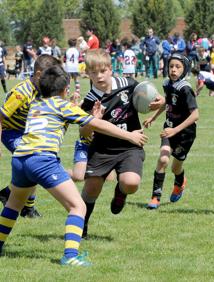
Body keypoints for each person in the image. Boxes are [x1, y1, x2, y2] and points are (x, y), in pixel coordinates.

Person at [0, 65, 148, 265]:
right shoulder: (62, 106)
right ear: (65, 90)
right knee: (77, 206)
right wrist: (129, 135)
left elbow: (67, 121)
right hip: (42, 160)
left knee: (13, 205)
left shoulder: (36, 104)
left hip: (20, 158)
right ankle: (70, 257)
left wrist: (85, 114)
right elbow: (98, 126)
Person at [78, 49, 164, 238]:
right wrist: (93, 120)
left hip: (129, 146)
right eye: (93, 72)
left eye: (102, 70)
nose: (98, 76)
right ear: (87, 73)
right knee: (92, 187)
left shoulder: (128, 84)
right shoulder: (90, 101)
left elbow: (153, 96)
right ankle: (81, 227)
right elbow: (83, 132)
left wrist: (158, 101)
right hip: (102, 148)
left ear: (111, 69)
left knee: (131, 183)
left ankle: (120, 192)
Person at [0, 54, 62, 218]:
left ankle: (12, 196)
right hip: (11, 132)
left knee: (35, 162)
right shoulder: (21, 93)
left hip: (29, 132)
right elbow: (0, 118)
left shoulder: (43, 89)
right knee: (33, 160)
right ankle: (25, 206)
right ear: (39, 74)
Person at [144, 53, 199, 209]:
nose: (173, 70)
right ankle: (155, 197)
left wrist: (175, 130)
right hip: (169, 129)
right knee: (163, 160)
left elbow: (195, 115)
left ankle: (180, 181)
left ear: (185, 69)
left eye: (178, 67)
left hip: (185, 134)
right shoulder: (168, 83)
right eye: (171, 66)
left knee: (176, 168)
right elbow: (168, 103)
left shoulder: (186, 88)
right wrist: (153, 118)